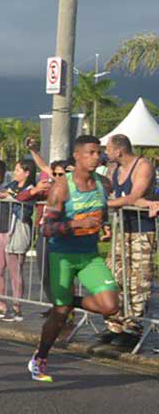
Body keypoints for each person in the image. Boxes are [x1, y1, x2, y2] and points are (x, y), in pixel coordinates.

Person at [30, 135, 122, 381]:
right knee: (59, 313)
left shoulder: (103, 184)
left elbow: (101, 213)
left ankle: (71, 301)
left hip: (89, 255)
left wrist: (103, 227)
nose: (96, 157)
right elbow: (46, 228)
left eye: (98, 152)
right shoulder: (62, 186)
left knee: (111, 306)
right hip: (61, 255)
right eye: (90, 153)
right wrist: (76, 224)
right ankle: (40, 357)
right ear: (77, 156)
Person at [102, 134, 155, 350]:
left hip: (142, 230)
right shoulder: (114, 169)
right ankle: (115, 323)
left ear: (119, 150)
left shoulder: (143, 166)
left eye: (108, 149)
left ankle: (134, 326)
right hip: (121, 229)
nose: (106, 153)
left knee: (138, 279)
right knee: (114, 273)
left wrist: (106, 204)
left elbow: (134, 196)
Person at [0, 160, 39, 320]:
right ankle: (1, 306)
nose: (15, 172)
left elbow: (25, 208)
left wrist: (10, 197)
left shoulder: (30, 189)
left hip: (16, 231)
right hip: (2, 231)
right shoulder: (11, 185)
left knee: (15, 271)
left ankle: (17, 307)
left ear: (27, 172)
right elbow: (3, 194)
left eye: (18, 170)